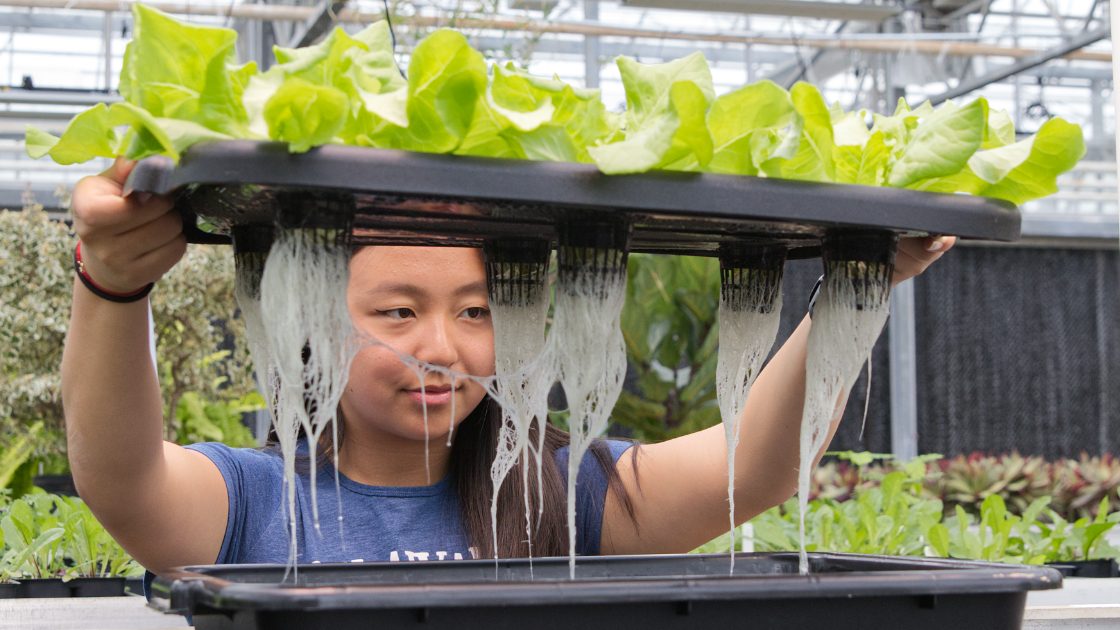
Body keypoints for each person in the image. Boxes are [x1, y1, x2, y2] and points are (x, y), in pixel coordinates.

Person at [61, 157, 955, 578]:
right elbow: (120, 474)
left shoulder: (559, 498)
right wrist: (112, 286)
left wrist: (858, 289)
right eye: (397, 313)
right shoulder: (252, 504)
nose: (443, 349)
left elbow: (758, 463)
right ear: (312, 330)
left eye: (478, 313)